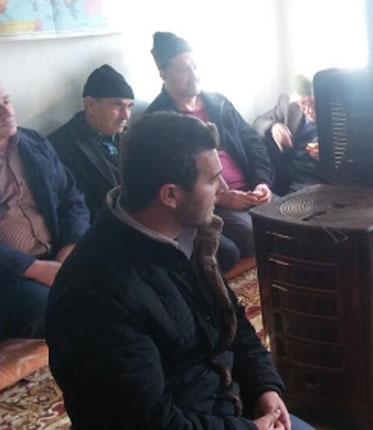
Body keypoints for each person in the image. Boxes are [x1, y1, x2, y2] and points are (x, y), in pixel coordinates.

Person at [46, 112, 356, 430]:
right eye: (212, 180)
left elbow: (234, 323)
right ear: (170, 195)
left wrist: (265, 387)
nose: (224, 188)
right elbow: (147, 427)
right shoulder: (94, 294)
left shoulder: (188, 237)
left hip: (231, 412)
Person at [145, 31, 273, 269]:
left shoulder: (219, 103)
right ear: (163, 74)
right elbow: (172, 179)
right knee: (255, 234)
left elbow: (252, 142)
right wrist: (222, 197)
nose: (193, 75)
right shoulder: (159, 121)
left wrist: (262, 182)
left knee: (293, 219)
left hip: (251, 190)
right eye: (183, 69)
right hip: (213, 202)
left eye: (195, 66)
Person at [0, 82, 88, 340]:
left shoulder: (32, 142)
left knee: (117, 271)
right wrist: (35, 269)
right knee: (45, 306)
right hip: (10, 272)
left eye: (6, 101)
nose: (6, 112)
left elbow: (72, 198)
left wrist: (68, 250)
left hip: (57, 253)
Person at [49, 64, 134, 222]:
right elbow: (76, 208)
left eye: (129, 107)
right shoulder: (60, 147)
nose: (126, 116)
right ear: (91, 104)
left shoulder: (131, 136)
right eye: (118, 105)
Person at [253, 75, 323, 194]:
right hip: (287, 168)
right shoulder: (287, 103)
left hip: (315, 175)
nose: (309, 110)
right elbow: (258, 122)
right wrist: (273, 126)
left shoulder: (337, 112)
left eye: (312, 103)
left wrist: (327, 157)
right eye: (303, 103)